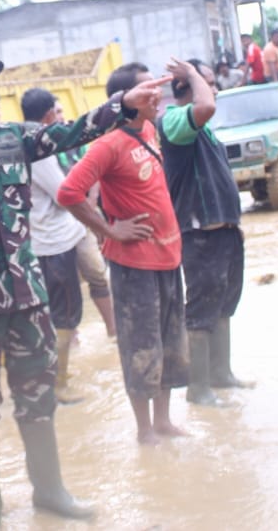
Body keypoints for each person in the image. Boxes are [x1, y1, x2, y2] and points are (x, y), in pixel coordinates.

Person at [0, 50, 163, 529]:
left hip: (28, 296)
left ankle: (50, 491)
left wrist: (124, 104)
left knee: (38, 396)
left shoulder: (13, 139)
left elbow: (74, 131)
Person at [57, 63, 188, 444]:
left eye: (157, 86)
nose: (157, 94)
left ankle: (163, 422)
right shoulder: (108, 144)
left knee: (168, 342)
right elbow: (69, 193)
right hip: (134, 264)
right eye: (148, 89)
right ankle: (144, 430)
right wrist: (110, 229)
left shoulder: (149, 130)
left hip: (168, 256)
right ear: (125, 100)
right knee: (140, 345)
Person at [158, 58, 251, 406]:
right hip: (199, 235)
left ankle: (221, 374)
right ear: (186, 87)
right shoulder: (174, 121)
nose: (214, 89)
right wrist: (194, 75)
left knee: (224, 304)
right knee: (200, 311)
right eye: (207, 82)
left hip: (223, 231)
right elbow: (206, 105)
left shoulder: (203, 130)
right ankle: (198, 389)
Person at [19, 88, 93, 405]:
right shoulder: (41, 149)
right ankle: (58, 385)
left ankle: (49, 381)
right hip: (54, 242)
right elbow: (64, 194)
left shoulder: (21, 141)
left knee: (57, 316)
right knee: (64, 317)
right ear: (49, 115)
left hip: (44, 241)